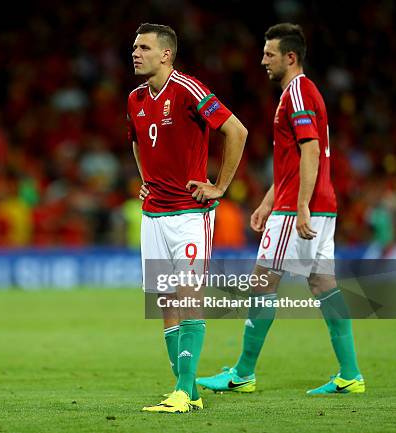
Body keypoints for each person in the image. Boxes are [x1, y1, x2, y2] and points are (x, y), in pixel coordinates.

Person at [197, 23, 364, 395]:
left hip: (299, 207)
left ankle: (242, 373)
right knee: (323, 284)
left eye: (269, 54)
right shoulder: (297, 93)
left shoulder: (298, 92)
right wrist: (268, 200)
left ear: (290, 57)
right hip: (313, 204)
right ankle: (351, 374)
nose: (262, 61)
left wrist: (299, 205)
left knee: (261, 283)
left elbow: (309, 149)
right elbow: (294, 160)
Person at [127, 23, 247, 412]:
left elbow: (236, 131)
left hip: (190, 214)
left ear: (165, 54)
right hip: (153, 216)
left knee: (189, 297)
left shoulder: (189, 90)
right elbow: (136, 140)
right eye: (134, 47)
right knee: (166, 302)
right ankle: (189, 390)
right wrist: (145, 180)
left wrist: (221, 187)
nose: (135, 53)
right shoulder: (134, 98)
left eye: (143, 47)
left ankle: (182, 391)